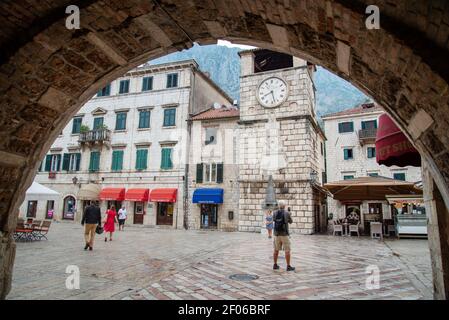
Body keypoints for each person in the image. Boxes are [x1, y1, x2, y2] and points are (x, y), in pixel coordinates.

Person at [273, 200, 295, 271]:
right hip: (284, 234)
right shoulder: (286, 213)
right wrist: (289, 214)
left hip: (276, 234)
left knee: (276, 250)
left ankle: (275, 265)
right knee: (287, 250)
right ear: (284, 206)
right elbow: (291, 222)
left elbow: (273, 220)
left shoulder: (275, 212)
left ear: (279, 206)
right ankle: (288, 266)